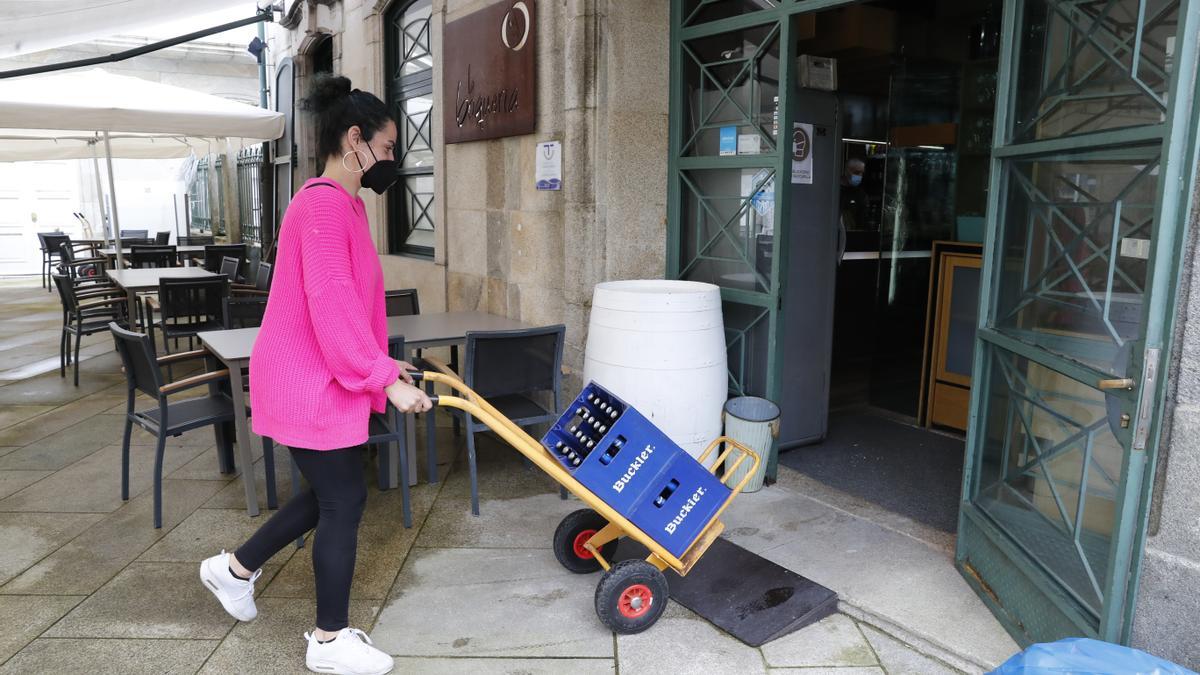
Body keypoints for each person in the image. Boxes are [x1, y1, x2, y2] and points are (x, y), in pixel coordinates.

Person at [198, 74, 431, 675]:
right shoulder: (325, 205)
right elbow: (330, 305)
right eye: (385, 149)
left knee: (328, 495)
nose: (389, 163)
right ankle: (328, 642)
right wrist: (385, 380)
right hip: (310, 383)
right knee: (345, 498)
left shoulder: (342, 204)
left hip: (318, 379)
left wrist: (384, 362)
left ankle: (234, 570)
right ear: (353, 139)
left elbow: (347, 303)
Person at [839, 157, 869, 231]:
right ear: (846, 171)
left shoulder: (861, 194)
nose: (860, 176)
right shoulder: (833, 190)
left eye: (862, 173)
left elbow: (863, 220)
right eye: (856, 172)